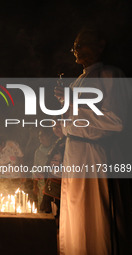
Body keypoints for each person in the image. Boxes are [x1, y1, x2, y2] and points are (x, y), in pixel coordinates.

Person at [54, 28, 132, 255]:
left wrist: (74, 107)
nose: (76, 49)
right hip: (75, 156)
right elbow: (73, 119)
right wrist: (64, 125)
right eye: (75, 45)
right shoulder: (76, 82)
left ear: (101, 44)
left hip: (96, 156)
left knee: (97, 216)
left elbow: (114, 122)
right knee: (77, 217)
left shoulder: (110, 75)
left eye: (83, 43)